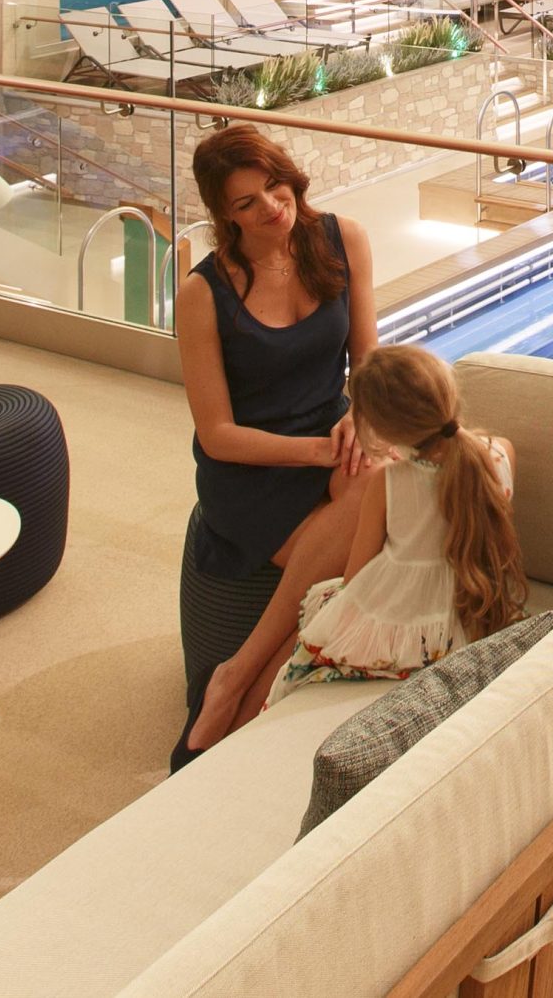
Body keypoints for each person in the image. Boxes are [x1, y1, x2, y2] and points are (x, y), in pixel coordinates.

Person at [193, 346, 528, 742]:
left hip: (406, 638)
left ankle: (240, 721)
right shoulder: (501, 453)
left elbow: (355, 579)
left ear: (385, 430)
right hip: (472, 618)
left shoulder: (389, 482)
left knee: (317, 611)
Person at [176, 124, 378, 758]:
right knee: (373, 542)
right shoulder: (202, 293)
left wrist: (361, 415)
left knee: (391, 488)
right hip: (252, 473)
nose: (271, 206)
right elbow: (217, 435)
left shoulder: (344, 239)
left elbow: (368, 363)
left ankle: (235, 680)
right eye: (247, 202)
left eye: (274, 186)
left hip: (334, 437)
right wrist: (318, 451)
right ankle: (247, 705)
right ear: (225, 215)